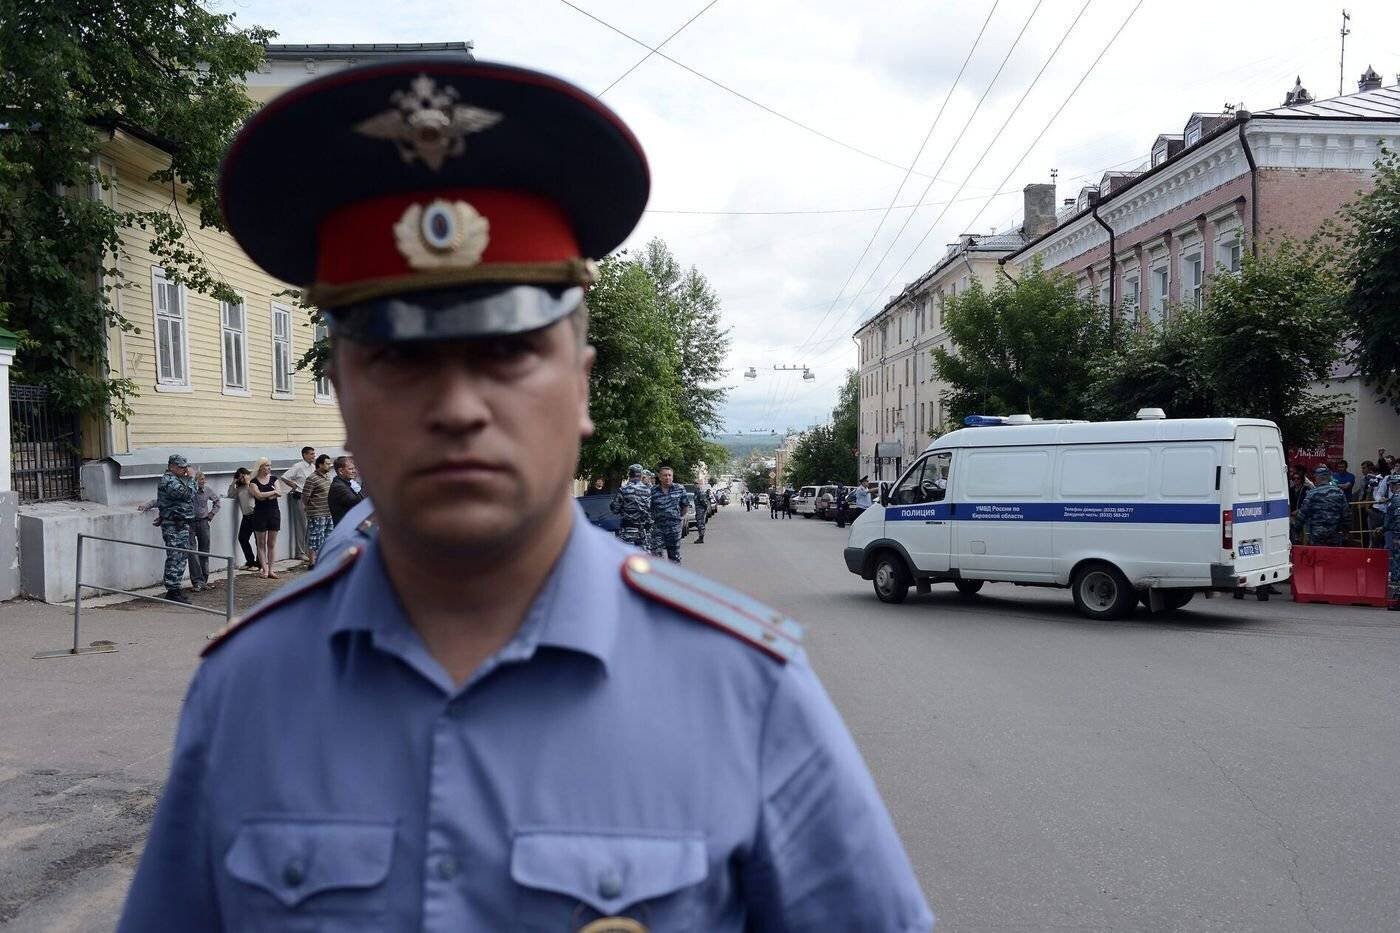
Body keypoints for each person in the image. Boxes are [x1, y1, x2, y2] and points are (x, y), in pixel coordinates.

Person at [118, 59, 930, 932]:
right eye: (398, 355)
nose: (459, 407)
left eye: (507, 353)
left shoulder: (743, 689)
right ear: (345, 391)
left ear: (580, 387)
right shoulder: (247, 690)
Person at [153, 454, 195, 604]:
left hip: (180, 524)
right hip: (173, 525)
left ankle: (176, 589)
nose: (184, 470)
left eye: (185, 467)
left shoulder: (176, 479)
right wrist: (191, 479)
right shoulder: (169, 480)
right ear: (172, 466)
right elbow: (186, 494)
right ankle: (172, 590)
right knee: (175, 557)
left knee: (181, 556)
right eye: (181, 467)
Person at [1293, 465, 1350, 546]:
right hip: (1334, 534)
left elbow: (1302, 514)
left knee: (1317, 557)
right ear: (1329, 477)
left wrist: (1297, 531)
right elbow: (1346, 514)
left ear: (1317, 477)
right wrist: (1346, 532)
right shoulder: (1339, 492)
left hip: (1316, 536)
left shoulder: (1312, 493)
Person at [277, 445, 317, 561]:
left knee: (310, 525)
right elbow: (285, 477)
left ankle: (308, 550)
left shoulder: (313, 467)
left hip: (311, 498)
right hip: (300, 497)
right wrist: (293, 485)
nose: (313, 456)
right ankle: (299, 552)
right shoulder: (298, 466)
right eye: (311, 454)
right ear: (304, 455)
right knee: (302, 526)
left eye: (314, 454)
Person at [249, 457, 282, 578]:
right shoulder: (253, 482)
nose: (269, 468)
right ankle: (265, 569)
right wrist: (272, 493)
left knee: (271, 543)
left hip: (274, 513)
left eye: (270, 465)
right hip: (260, 514)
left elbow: (280, 492)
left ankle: (272, 569)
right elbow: (258, 496)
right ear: (260, 467)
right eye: (267, 465)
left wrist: (268, 495)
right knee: (261, 543)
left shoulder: (274, 479)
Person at [189, 471, 220, 592]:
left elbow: (217, 501)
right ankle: (197, 581)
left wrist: (211, 514)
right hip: (190, 523)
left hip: (203, 522)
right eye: (200, 479)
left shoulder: (207, 490)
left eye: (203, 479)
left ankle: (204, 580)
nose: (202, 481)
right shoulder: (190, 491)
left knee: (204, 551)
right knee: (191, 552)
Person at [650, 464, 688, 563]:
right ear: (660, 477)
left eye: (669, 475)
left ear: (672, 476)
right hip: (658, 528)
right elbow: (649, 507)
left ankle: (674, 576)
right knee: (656, 555)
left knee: (674, 556)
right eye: (665, 475)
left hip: (674, 528)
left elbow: (685, 506)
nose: (667, 477)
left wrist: (678, 518)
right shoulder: (653, 490)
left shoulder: (680, 488)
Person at [609, 463, 652, 550]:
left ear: (629, 474)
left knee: (627, 557)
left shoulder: (624, 490)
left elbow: (614, 509)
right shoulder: (649, 490)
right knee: (644, 559)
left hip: (628, 529)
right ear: (641, 475)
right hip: (644, 531)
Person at [302, 454, 335, 568]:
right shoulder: (312, 478)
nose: (330, 466)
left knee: (327, 537)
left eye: (330, 463)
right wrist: (310, 508)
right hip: (317, 513)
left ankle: (324, 561)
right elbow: (305, 496)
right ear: (320, 464)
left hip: (328, 512)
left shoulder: (328, 477)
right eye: (327, 463)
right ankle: (312, 563)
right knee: (315, 538)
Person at [226, 468, 258, 570]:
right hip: (246, 516)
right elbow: (230, 494)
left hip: (255, 514)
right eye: (241, 476)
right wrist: (234, 481)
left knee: (259, 540)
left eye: (244, 475)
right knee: (243, 538)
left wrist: (248, 482)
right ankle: (250, 562)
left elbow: (255, 494)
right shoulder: (239, 488)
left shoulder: (252, 484)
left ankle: (259, 563)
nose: (243, 478)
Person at [328, 455, 364, 525]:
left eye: (354, 468)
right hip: (345, 528)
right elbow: (357, 503)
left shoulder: (346, 483)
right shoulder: (338, 487)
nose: (354, 471)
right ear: (341, 471)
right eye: (351, 469)